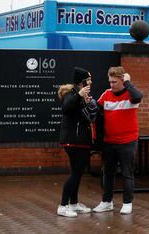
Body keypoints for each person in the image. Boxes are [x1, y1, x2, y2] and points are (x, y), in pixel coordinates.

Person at [93, 66, 143, 215]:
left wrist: (128, 83)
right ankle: (106, 202)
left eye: (115, 82)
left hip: (128, 141)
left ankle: (127, 203)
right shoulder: (106, 94)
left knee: (127, 173)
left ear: (123, 80)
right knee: (108, 173)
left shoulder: (131, 94)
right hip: (109, 141)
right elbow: (96, 109)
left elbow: (138, 96)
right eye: (110, 81)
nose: (111, 85)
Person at [57, 67, 98, 217]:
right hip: (73, 141)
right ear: (82, 82)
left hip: (81, 141)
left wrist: (84, 101)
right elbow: (66, 107)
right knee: (75, 174)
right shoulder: (71, 93)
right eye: (89, 79)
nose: (91, 82)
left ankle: (73, 204)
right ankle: (63, 206)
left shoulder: (81, 96)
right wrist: (79, 96)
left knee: (78, 173)